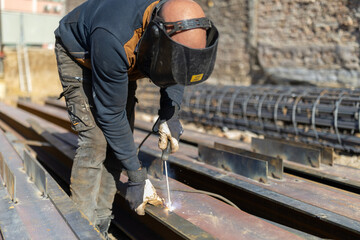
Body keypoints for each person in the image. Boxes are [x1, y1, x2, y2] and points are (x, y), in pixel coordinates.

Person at [54, 0, 218, 238]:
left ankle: (101, 223)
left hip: (120, 57)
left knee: (119, 144)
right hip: (82, 54)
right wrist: (137, 176)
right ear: (157, 36)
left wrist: (169, 114)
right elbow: (110, 115)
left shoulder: (169, 27)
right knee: (97, 142)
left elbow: (177, 67)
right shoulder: (115, 37)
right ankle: (81, 230)